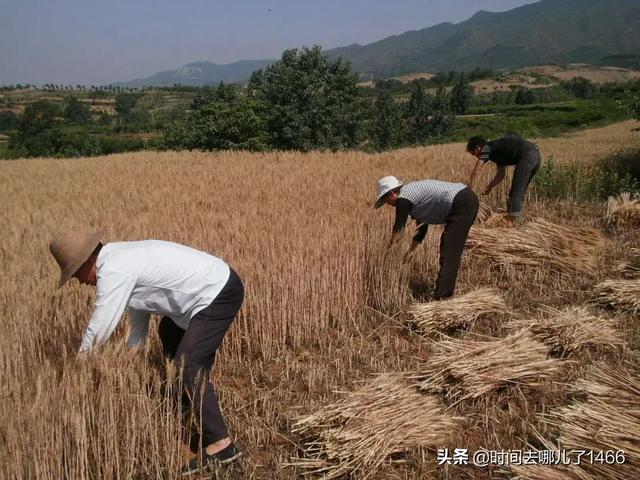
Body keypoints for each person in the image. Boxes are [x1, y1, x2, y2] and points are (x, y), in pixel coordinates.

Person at [49, 230, 244, 474]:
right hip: (206, 292)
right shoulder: (119, 258)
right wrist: (132, 362)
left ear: (89, 261)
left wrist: (75, 372)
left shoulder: (114, 270)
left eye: (76, 273)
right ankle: (187, 400)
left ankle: (221, 443)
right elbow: (139, 320)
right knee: (169, 332)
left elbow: (99, 329)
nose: (79, 281)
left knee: (188, 363)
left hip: (219, 292)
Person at [375, 176, 479, 300]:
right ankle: (443, 292)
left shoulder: (403, 199)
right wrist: (411, 251)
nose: (387, 204)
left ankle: (443, 296)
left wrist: (387, 254)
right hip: (464, 198)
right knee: (447, 246)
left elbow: (398, 230)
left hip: (462, 202)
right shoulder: (412, 196)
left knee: (450, 250)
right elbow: (422, 228)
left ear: (392, 193)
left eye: (386, 200)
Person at [466, 135, 541, 221]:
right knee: (519, 191)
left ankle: (514, 223)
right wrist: (490, 187)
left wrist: (469, 189)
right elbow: (501, 174)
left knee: (515, 194)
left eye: (473, 153)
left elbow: (477, 170)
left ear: (478, 147)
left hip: (527, 155)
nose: (475, 156)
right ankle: (516, 219)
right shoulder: (497, 152)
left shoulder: (486, 147)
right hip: (536, 156)